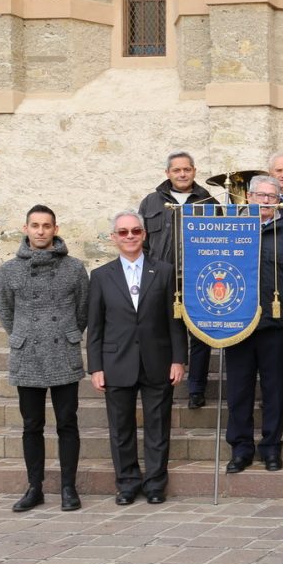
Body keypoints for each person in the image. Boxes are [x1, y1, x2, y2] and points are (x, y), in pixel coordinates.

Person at [87, 210, 187, 505]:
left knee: (158, 426)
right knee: (121, 429)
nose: (129, 236)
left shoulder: (165, 271)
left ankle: (156, 483)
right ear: (113, 238)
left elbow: (175, 319)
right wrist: (96, 367)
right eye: (123, 232)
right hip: (117, 362)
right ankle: (127, 483)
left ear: (144, 235)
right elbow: (96, 326)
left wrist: (178, 359)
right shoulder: (101, 276)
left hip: (157, 360)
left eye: (134, 231)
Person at [0, 205, 89, 512]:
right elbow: (6, 310)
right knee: (31, 425)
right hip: (28, 356)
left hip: (63, 350)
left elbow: (83, 311)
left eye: (46, 226)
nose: (40, 231)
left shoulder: (75, 268)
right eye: (34, 225)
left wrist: (66, 332)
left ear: (55, 229)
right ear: (26, 229)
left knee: (67, 423)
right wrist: (21, 335)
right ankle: (34, 487)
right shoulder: (9, 270)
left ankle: (68, 488)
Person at [224, 175, 283, 474]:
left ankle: (271, 447)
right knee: (238, 391)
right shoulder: (230, 231)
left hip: (276, 325)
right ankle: (241, 448)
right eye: (260, 196)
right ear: (248, 197)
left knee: (274, 390)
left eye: (271, 197)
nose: (266, 202)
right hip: (237, 324)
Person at [137, 149, 217, 409]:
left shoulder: (209, 201)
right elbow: (143, 243)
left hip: (198, 279)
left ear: (194, 171)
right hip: (161, 279)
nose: (182, 174)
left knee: (200, 335)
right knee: (163, 333)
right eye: (176, 170)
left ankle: (196, 389)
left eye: (187, 169)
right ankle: (161, 382)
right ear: (167, 173)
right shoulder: (150, 202)